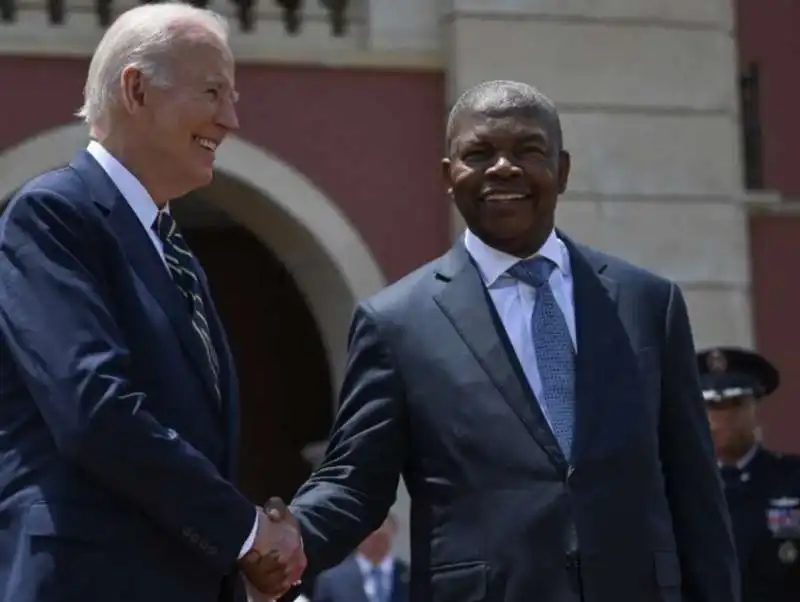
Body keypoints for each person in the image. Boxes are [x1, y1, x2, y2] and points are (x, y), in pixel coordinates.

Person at [265, 80, 740, 601]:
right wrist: (287, 537)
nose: (504, 168)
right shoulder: (397, 323)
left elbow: (696, 493)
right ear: (450, 176)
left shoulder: (647, 303)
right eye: (479, 153)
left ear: (561, 170)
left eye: (528, 151)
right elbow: (355, 480)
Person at [0, 3, 302, 601]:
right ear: (135, 89)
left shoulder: (174, 250)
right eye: (213, 92)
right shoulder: (53, 216)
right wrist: (245, 532)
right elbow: (96, 409)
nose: (232, 119)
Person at [698, 346, 800, 602]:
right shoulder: (674, 488)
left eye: (735, 404)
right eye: (711, 406)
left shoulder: (792, 479)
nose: (722, 419)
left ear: (755, 408)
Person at [312, 513, 409, 602]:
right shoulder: (332, 578)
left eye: (382, 537)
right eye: (372, 535)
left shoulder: (408, 576)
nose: (376, 541)